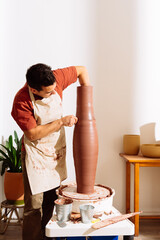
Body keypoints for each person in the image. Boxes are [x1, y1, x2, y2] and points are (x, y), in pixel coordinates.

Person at [11, 64, 90, 240]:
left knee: (50, 201)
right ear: (33, 89)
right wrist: (61, 122)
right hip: (35, 155)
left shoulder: (56, 77)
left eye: (54, 89)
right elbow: (32, 134)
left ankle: (47, 236)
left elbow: (82, 70)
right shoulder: (21, 100)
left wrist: (87, 101)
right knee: (34, 207)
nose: (53, 93)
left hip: (54, 153)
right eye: (48, 92)